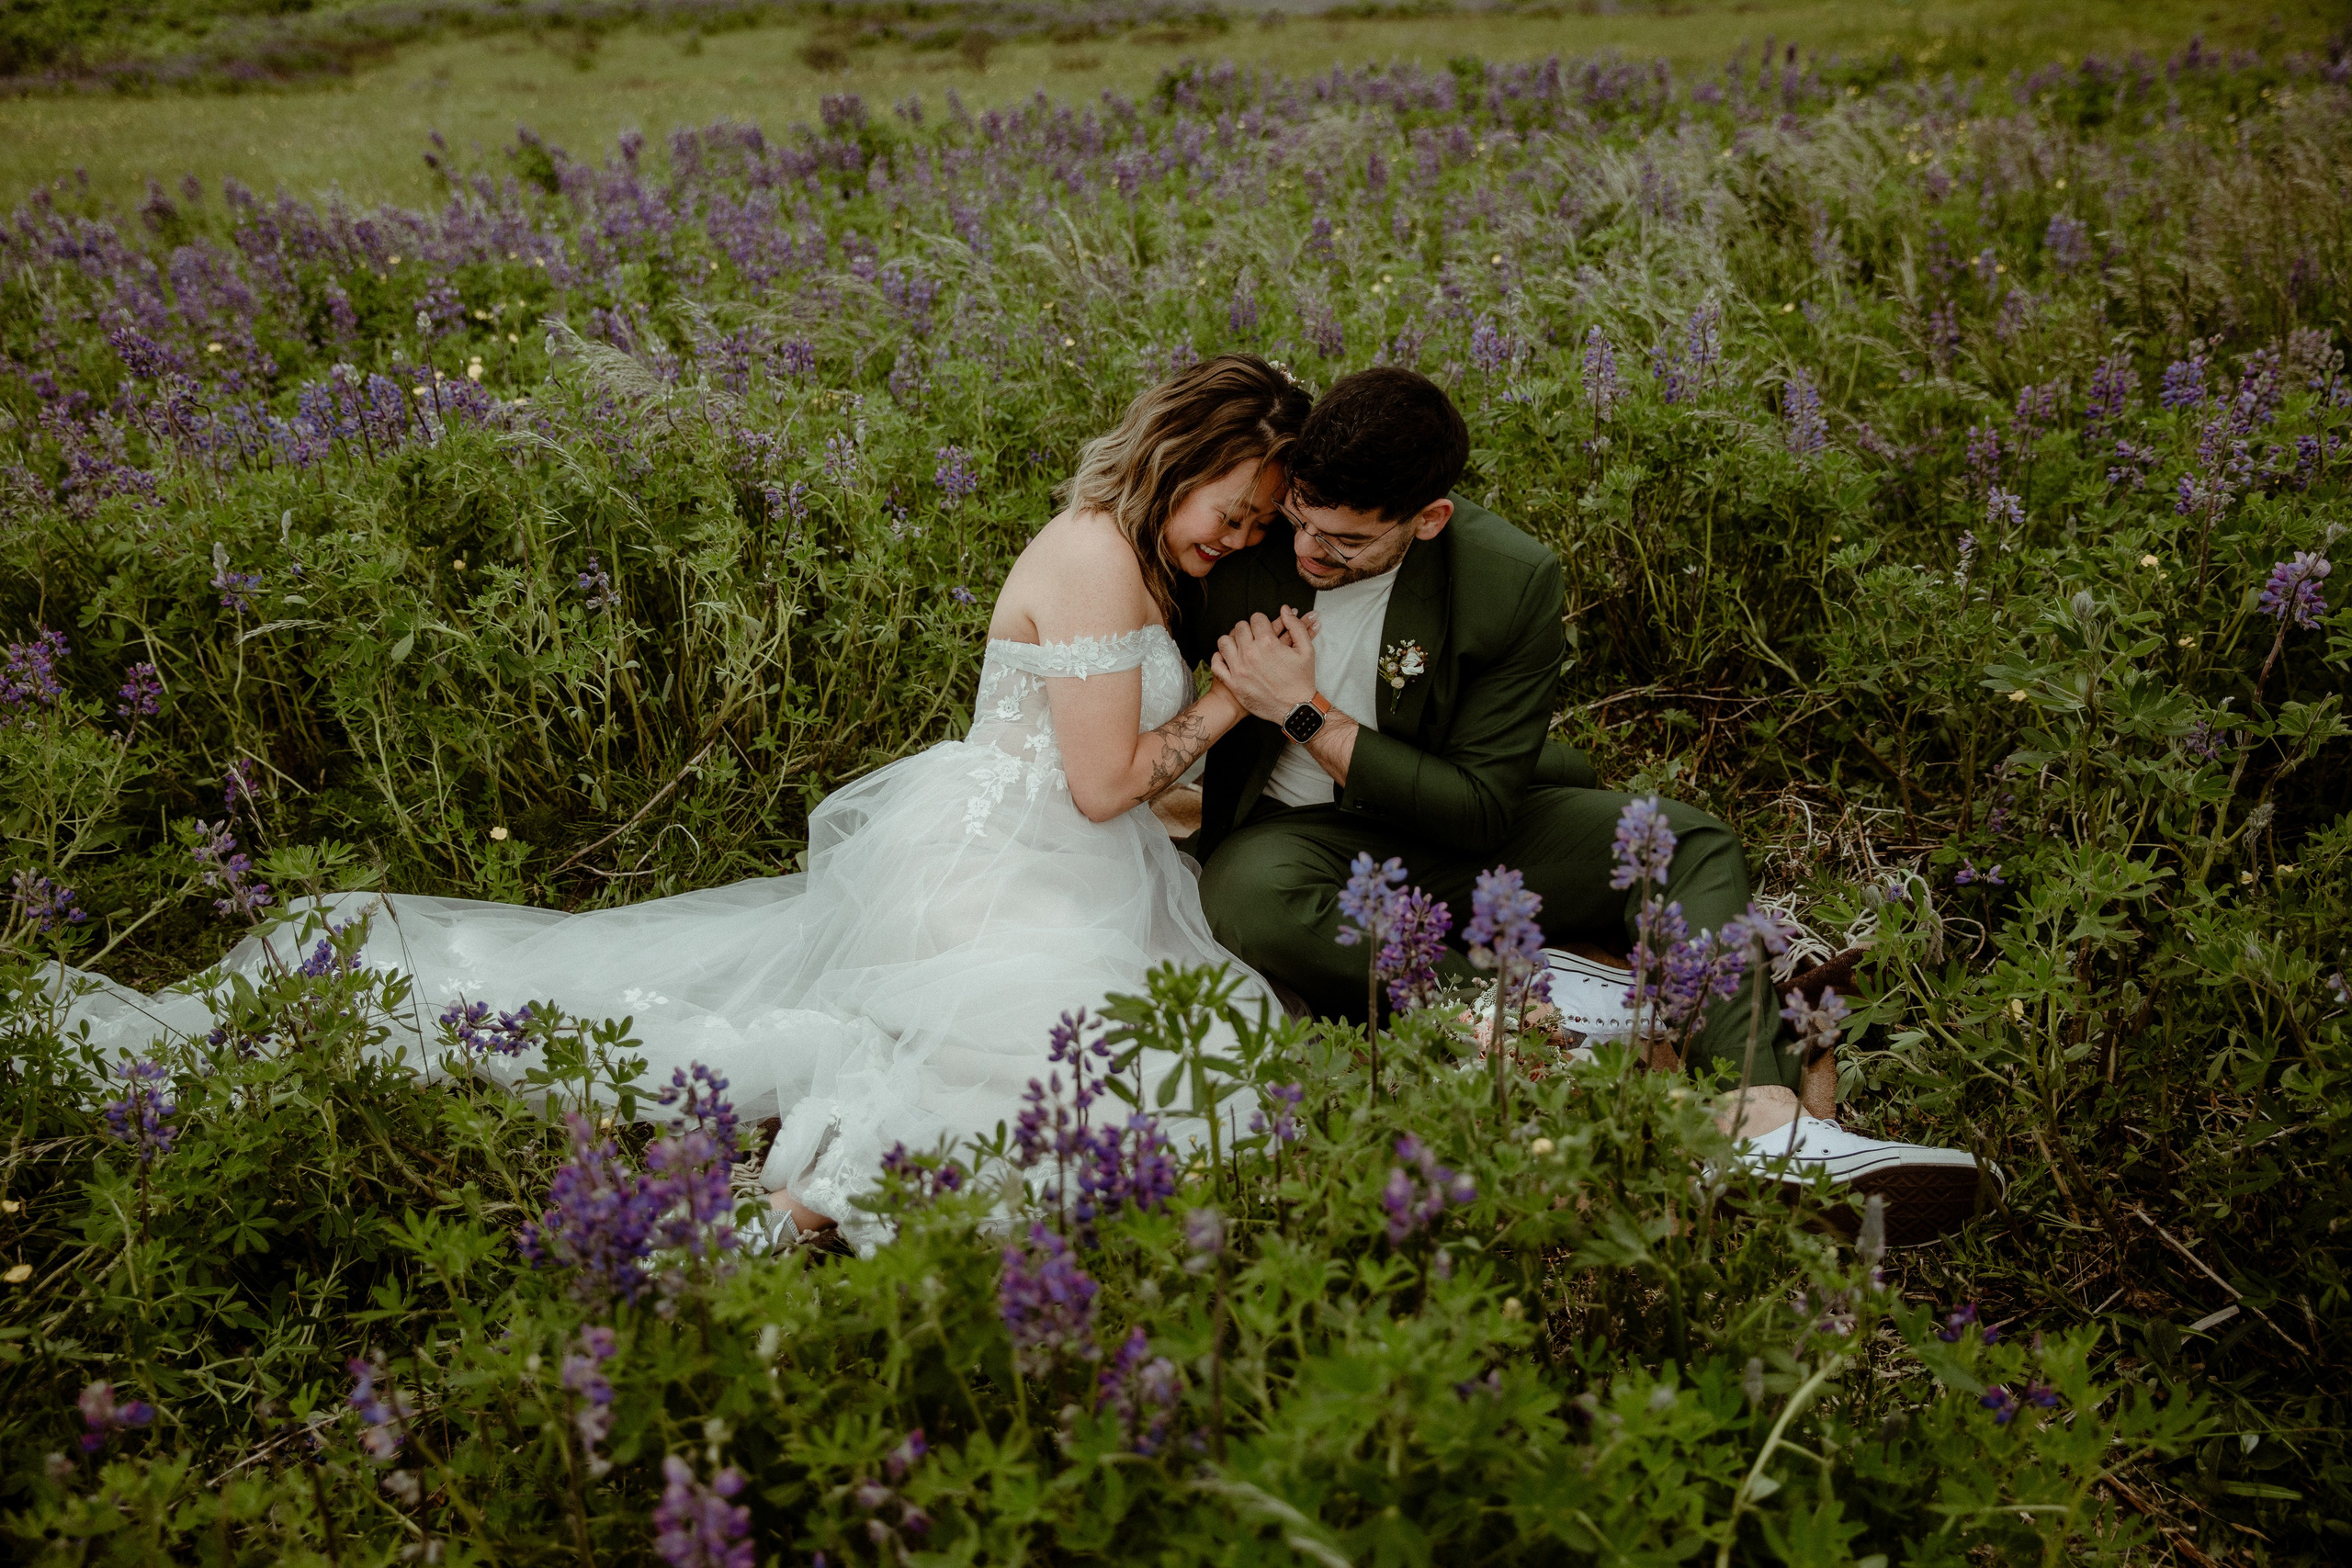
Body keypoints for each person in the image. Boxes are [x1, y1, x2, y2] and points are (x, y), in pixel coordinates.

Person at [42, 355, 1314, 1254]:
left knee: (1167, 1059)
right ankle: (805, 1204)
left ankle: (819, 1192)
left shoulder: (1134, 552)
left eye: (1260, 518)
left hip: (1065, 856)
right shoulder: (1095, 553)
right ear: (1178, 456)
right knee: (1079, 1059)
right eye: (1234, 505)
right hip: (1011, 861)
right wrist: (1231, 703)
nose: (1238, 531)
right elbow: (1101, 784)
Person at [1179, 367, 1996, 1245]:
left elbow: (1479, 812)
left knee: (1690, 842)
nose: (1305, 551)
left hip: (1454, 824)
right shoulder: (1250, 538)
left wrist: (1303, 712)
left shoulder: (1508, 577)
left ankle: (1766, 1121)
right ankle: (1543, 1003)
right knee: (1244, 895)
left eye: (1343, 543)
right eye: (1301, 520)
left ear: (1429, 519)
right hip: (1301, 843)